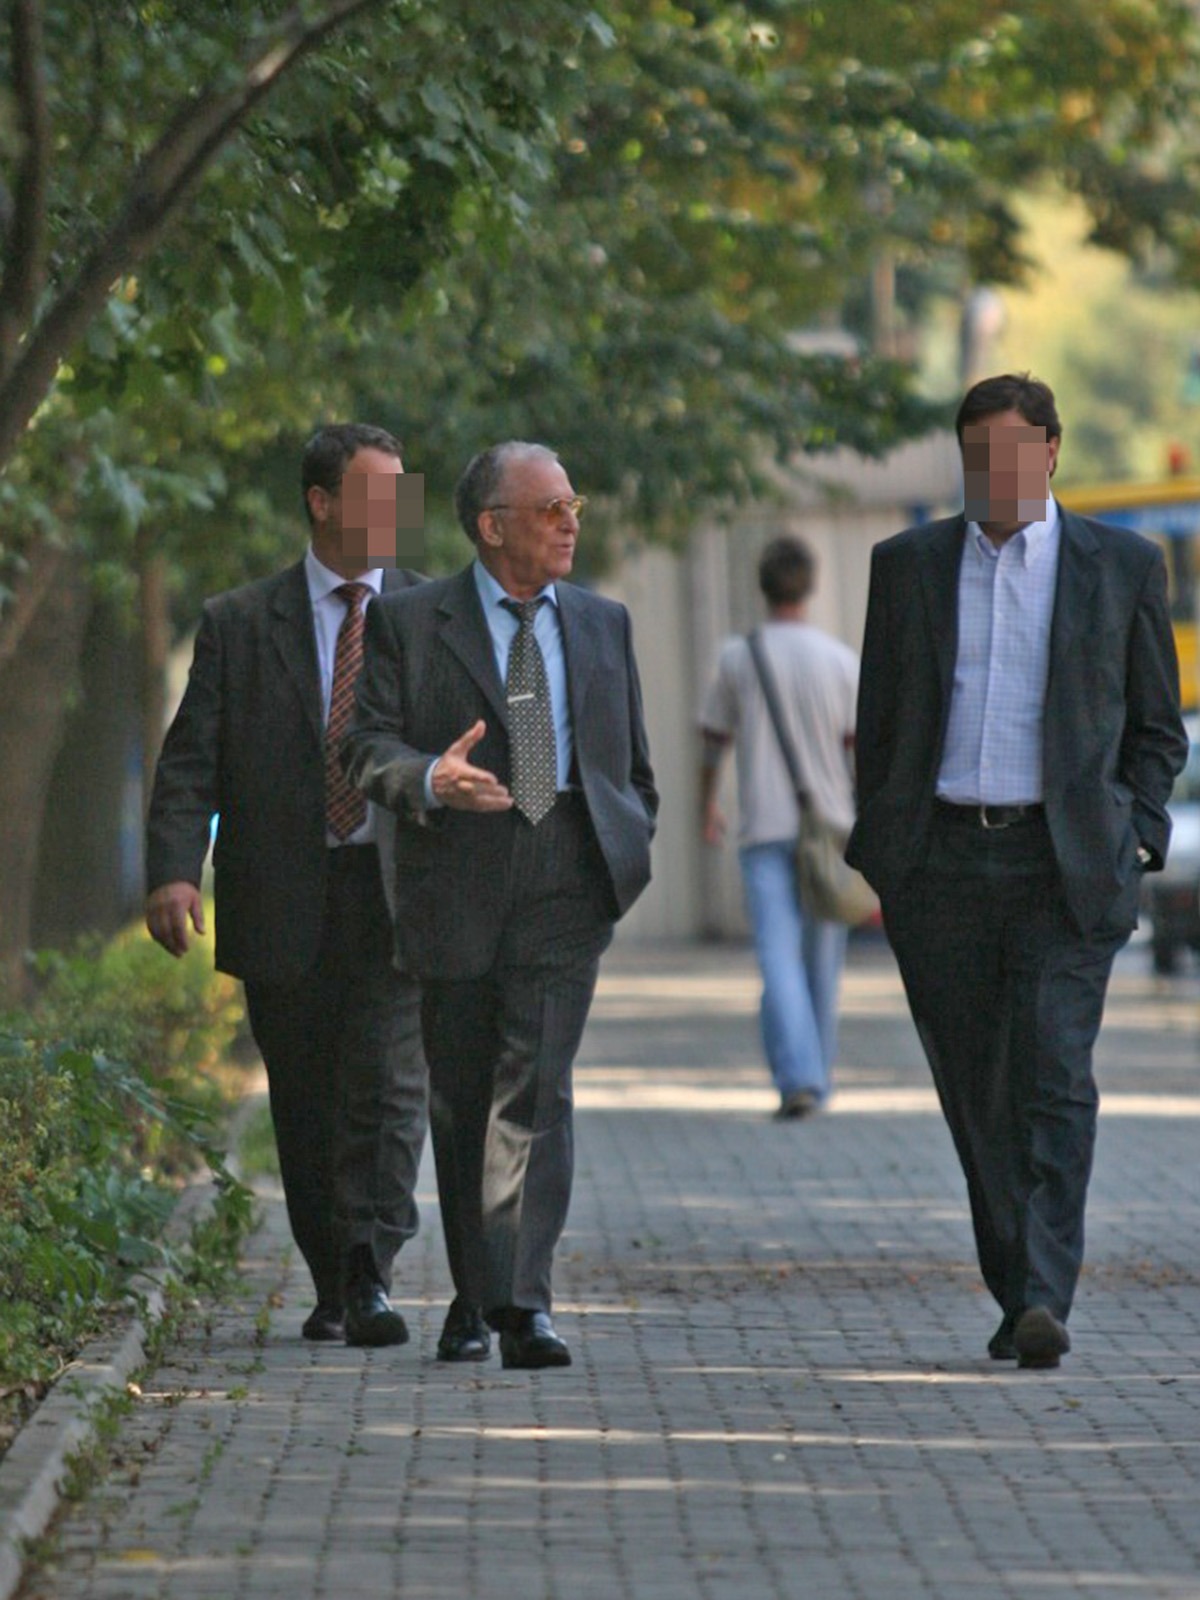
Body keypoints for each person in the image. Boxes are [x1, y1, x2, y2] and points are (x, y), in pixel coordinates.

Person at [846, 373, 1187, 1369]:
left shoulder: (1122, 565)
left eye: (1010, 452)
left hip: (1064, 864)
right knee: (977, 1090)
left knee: (1054, 1074)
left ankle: (1041, 1293)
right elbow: (882, 718)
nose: (993, 472)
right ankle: (1017, 1283)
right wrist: (890, 849)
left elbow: (1156, 725)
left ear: (1050, 451)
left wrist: (1137, 834)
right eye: (976, 456)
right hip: (942, 863)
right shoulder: (907, 565)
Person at [343, 441, 657, 1370]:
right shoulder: (409, 621)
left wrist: (625, 839)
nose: (569, 523)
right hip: (456, 873)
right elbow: (365, 747)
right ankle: (474, 1292)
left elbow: (632, 765)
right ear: (491, 527)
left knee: (536, 1087)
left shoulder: (602, 622)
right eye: (550, 508)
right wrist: (429, 780)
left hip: (565, 870)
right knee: (464, 1095)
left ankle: (522, 1305)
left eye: (573, 505)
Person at [145, 423, 429, 1349]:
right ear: (321, 503)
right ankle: (333, 1276)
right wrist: (174, 872)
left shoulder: (429, 613)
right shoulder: (239, 622)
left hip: (395, 889)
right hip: (284, 891)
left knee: (389, 1086)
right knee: (305, 1098)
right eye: (377, 492)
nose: (396, 509)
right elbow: (191, 762)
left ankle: (371, 1270)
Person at [699, 536, 860, 1119]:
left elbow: (714, 741)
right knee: (821, 963)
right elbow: (858, 751)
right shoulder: (839, 660)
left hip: (764, 828)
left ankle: (799, 1078)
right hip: (832, 829)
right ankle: (814, 1079)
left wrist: (706, 805)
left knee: (777, 959)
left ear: (762, 587)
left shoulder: (738, 657)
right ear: (810, 585)